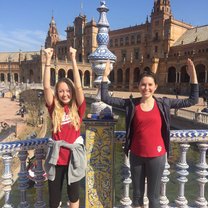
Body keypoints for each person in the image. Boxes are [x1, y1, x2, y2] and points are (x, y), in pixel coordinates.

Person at [101, 58, 198, 208]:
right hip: (136, 156)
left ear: (155, 86)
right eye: (143, 85)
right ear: (138, 86)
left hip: (157, 156)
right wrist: (105, 76)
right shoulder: (131, 104)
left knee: (153, 198)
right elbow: (105, 98)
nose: (146, 88)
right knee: (137, 196)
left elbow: (192, 100)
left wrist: (193, 76)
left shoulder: (164, 103)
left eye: (150, 85)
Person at [43, 47, 86, 208]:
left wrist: (74, 59)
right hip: (56, 159)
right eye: (61, 91)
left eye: (68, 90)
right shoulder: (53, 108)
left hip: (73, 160)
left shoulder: (78, 108)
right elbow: (47, 87)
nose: (65, 94)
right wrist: (48, 61)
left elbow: (79, 87)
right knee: (54, 199)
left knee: (74, 197)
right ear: (57, 93)